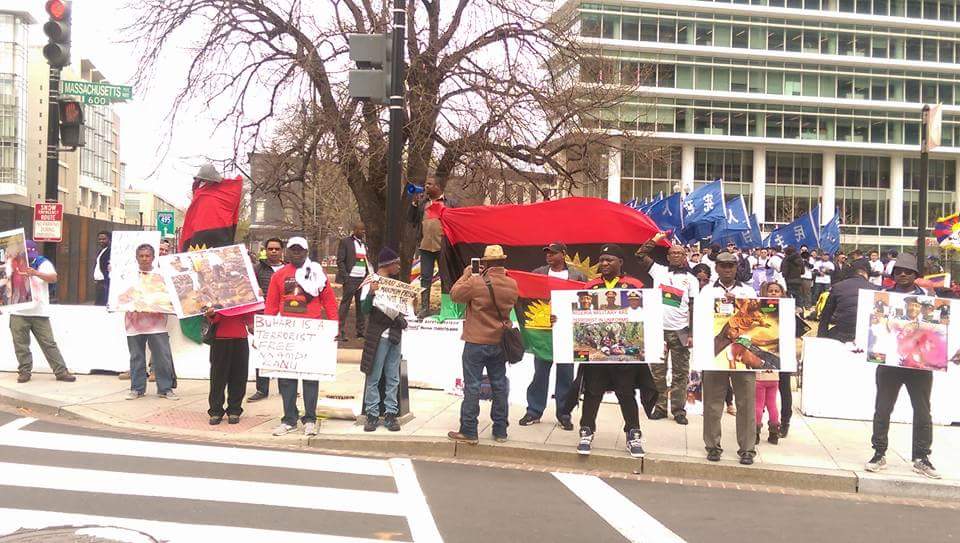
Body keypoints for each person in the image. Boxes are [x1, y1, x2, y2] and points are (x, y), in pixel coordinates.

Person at [564, 244, 653, 459]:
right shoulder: (591, 286)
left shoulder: (635, 285)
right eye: (602, 260)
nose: (604, 264)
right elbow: (578, 317)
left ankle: (633, 434)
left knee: (626, 393)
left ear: (620, 262)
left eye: (609, 260)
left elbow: (648, 315)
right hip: (598, 353)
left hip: (626, 353)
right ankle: (586, 431)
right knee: (592, 392)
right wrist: (560, 319)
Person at [865, 253, 940, 479]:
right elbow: (874, 328)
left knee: (923, 410)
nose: (903, 274)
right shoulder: (883, 297)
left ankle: (921, 457)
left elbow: (940, 329)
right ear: (893, 274)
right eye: (899, 271)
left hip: (919, 364)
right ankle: (879, 453)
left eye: (908, 271)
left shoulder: (928, 299)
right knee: (883, 407)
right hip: (890, 363)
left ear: (916, 275)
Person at [266, 237, 339, 437]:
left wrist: (335, 325)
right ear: (287, 252)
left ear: (306, 252)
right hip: (287, 333)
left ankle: (310, 418)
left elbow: (329, 301)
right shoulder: (279, 276)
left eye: (300, 250)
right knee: (287, 378)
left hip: (311, 332)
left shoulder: (317, 274)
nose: (296, 253)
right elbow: (271, 305)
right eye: (293, 250)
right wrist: (267, 329)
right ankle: (289, 418)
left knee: (310, 378)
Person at [447, 245, 518, 444]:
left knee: (473, 386)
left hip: (476, 341)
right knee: (499, 385)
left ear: (485, 263)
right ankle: (500, 430)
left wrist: (466, 275)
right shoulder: (512, 284)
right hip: (499, 342)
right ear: (503, 261)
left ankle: (469, 430)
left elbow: (455, 294)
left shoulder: (476, 282)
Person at [519, 242, 586, 431]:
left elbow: (585, 300)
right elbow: (527, 299)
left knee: (566, 375)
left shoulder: (577, 275)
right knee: (540, 373)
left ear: (563, 254)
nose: (549, 256)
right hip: (542, 332)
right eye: (547, 253)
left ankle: (564, 413)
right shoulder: (538, 273)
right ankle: (534, 411)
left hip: (568, 332)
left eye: (553, 253)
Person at [700, 251, 757, 465]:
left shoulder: (748, 290)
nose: (727, 269)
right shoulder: (706, 291)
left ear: (736, 268)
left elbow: (756, 317)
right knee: (713, 403)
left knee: (746, 402)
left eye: (731, 265)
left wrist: (740, 303)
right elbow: (701, 319)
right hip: (715, 351)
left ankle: (747, 448)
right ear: (716, 268)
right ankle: (712, 445)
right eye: (723, 265)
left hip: (742, 351)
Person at [636, 235, 698, 426]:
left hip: (680, 331)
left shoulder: (691, 279)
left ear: (685, 256)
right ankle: (660, 407)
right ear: (668, 256)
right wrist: (655, 239)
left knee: (681, 373)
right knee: (658, 372)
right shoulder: (659, 271)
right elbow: (639, 255)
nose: (677, 256)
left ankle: (678, 410)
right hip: (658, 330)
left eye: (680, 253)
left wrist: (692, 333)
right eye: (673, 253)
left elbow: (693, 306)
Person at [9, 241, 76, 383]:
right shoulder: (13, 263)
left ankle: (61, 371)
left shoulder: (42, 262)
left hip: (39, 311)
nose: (30, 257)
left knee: (48, 343)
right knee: (21, 345)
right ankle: (24, 372)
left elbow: (53, 278)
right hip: (19, 311)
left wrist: (35, 273)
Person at [360, 247, 408, 432]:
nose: (398, 266)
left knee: (393, 376)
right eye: (396, 263)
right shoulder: (371, 282)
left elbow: (403, 308)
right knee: (374, 375)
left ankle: (390, 413)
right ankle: (372, 414)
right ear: (388, 264)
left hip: (395, 334)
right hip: (378, 334)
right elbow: (364, 310)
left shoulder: (397, 284)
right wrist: (371, 294)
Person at [123, 244, 176, 400]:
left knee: (162, 357)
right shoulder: (128, 275)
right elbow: (120, 294)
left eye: (147, 256)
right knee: (136, 357)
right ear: (137, 257)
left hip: (157, 324)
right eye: (141, 256)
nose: (144, 258)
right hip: (133, 323)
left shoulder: (162, 275)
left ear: (153, 257)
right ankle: (137, 389)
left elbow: (170, 296)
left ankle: (165, 389)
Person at [408, 178, 457, 316]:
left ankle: (447, 308)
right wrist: (414, 203)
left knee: (446, 278)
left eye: (429, 184)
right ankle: (424, 308)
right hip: (425, 246)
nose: (426, 187)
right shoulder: (423, 204)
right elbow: (411, 220)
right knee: (425, 278)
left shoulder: (450, 203)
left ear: (438, 186)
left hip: (444, 247)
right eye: (426, 185)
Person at [248, 237, 285, 402]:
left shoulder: (289, 269)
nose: (274, 251)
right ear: (266, 250)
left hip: (285, 317)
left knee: (285, 352)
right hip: (264, 315)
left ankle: (287, 387)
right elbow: (250, 294)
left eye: (277, 249)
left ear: (281, 251)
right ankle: (262, 389)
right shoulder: (257, 269)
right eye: (271, 249)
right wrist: (251, 320)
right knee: (262, 352)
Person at [204, 306, 254, 424]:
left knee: (239, 376)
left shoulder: (243, 290)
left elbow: (248, 315)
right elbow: (214, 319)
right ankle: (216, 410)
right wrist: (211, 314)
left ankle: (234, 410)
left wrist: (252, 322)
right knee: (218, 377)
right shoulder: (214, 292)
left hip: (240, 337)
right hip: (220, 338)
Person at [817, 258, 878, 343]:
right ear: (867, 272)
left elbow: (825, 316)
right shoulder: (875, 289)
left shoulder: (838, 287)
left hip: (842, 335)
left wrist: (821, 339)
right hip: (867, 338)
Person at [756, 281, 785, 445]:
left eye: (777, 291)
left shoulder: (782, 313)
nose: (774, 293)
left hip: (766, 365)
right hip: (772, 365)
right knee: (770, 402)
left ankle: (757, 431)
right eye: (771, 291)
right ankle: (773, 431)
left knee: (760, 403)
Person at [336, 223, 368, 342]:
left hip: (362, 279)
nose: (363, 231)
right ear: (354, 230)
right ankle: (339, 331)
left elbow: (366, 260)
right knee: (345, 305)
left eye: (364, 230)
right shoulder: (345, 242)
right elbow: (340, 261)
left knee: (361, 306)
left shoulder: (364, 244)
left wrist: (367, 276)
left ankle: (360, 332)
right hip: (351, 279)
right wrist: (346, 277)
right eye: (361, 229)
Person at [93, 231, 111, 306]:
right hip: (99, 283)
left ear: (109, 240)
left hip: (105, 283)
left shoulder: (110, 251)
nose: (101, 241)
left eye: (104, 239)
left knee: (101, 306)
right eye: (100, 239)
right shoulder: (101, 251)